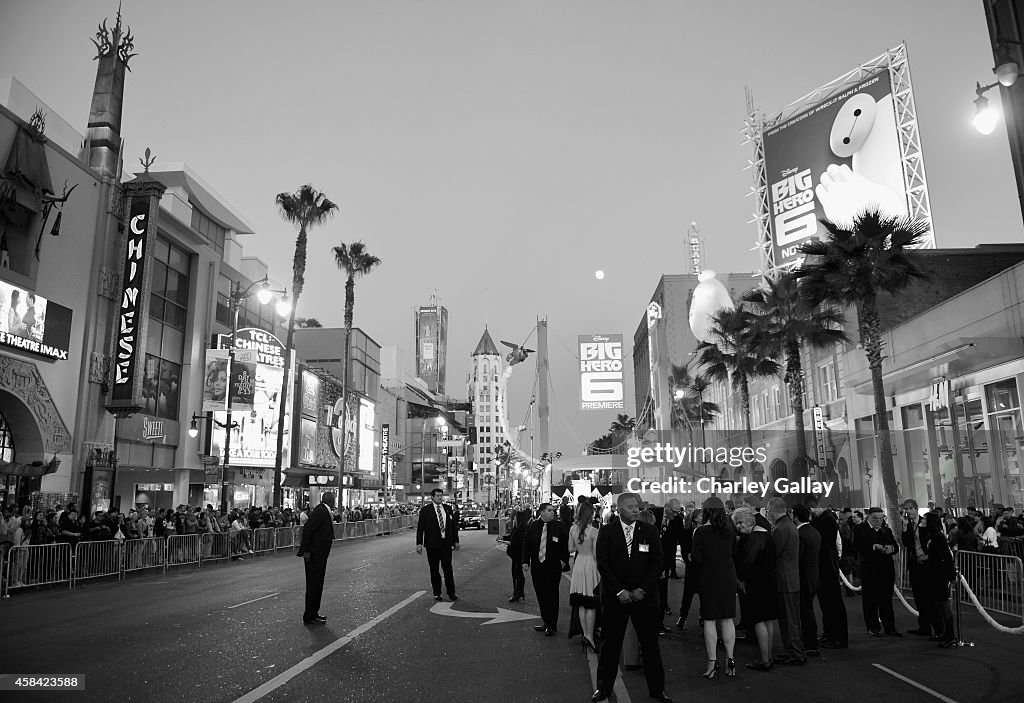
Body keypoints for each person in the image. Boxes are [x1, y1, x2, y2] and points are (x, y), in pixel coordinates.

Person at [592, 493, 672, 703]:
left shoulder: (649, 531)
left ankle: (658, 689)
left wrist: (642, 590)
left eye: (637, 506)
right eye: (631, 507)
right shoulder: (607, 531)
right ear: (619, 510)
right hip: (615, 598)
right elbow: (603, 563)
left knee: (650, 646)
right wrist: (620, 591)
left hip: (644, 599)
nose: (636, 510)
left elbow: (657, 562)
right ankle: (603, 688)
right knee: (610, 645)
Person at [692, 495, 739, 679]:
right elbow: (734, 553)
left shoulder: (701, 532)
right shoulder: (730, 530)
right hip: (728, 575)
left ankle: (712, 662)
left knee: (710, 620)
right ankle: (731, 661)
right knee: (728, 619)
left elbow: (697, 559)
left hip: (708, 577)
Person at [732, 507, 778, 671]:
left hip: (757, 583)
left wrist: (741, 578)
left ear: (749, 520)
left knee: (759, 621)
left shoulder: (755, 537)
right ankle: (768, 656)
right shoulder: (766, 534)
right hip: (770, 582)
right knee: (768, 620)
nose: (738, 527)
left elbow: (749, 561)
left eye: (740, 522)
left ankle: (764, 659)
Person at [767, 497, 804, 665]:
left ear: (774, 509)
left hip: (785, 580)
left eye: (768, 510)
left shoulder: (781, 529)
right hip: (791, 579)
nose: (767, 513)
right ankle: (792, 651)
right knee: (790, 619)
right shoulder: (789, 525)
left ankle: (795, 654)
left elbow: (773, 554)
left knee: (789, 620)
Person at [855, 507, 902, 637]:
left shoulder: (886, 530)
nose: (878, 521)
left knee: (886, 600)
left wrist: (890, 548)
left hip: (886, 570)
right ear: (868, 517)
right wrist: (873, 547)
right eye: (875, 518)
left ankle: (890, 627)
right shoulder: (860, 529)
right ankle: (873, 627)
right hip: (869, 571)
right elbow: (857, 546)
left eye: (881, 518)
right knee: (870, 601)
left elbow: (896, 546)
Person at [523, 503, 569, 635]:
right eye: (549, 510)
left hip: (553, 567)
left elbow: (565, 545)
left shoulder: (559, 527)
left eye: (553, 510)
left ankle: (552, 624)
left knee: (552, 595)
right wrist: (525, 561)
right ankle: (545, 621)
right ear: (542, 512)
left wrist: (563, 561)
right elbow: (526, 544)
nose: (552, 512)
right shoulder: (532, 526)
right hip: (537, 567)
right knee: (541, 594)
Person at [810, 503, 848, 649]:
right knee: (826, 605)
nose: (811, 510)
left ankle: (837, 637)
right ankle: (829, 634)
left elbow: (821, 539)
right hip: (824, 568)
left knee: (832, 604)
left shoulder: (828, 520)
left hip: (828, 568)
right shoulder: (823, 520)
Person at [297, 491, 336, 625]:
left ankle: (314, 613)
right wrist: (306, 550)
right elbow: (308, 529)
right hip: (314, 555)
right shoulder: (321, 511)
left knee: (317, 584)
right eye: (334, 499)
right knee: (314, 585)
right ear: (330, 500)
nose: (335, 502)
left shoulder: (323, 510)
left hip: (319, 554)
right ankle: (310, 615)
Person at [416, 488, 460, 602]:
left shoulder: (448, 509)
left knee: (448, 569)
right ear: (432, 497)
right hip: (432, 545)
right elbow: (420, 528)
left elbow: (453, 527)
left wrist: (456, 541)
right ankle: (437, 593)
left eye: (441, 496)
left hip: (446, 544)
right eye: (437, 496)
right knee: (434, 570)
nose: (440, 498)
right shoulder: (426, 510)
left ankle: (451, 592)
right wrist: (419, 543)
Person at [569, 501, 601, 652]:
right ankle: (590, 636)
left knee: (581, 602)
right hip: (591, 565)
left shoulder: (573, 529)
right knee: (591, 603)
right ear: (591, 514)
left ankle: (585, 635)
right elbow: (596, 554)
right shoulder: (594, 531)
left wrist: (579, 547)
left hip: (579, 563)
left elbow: (570, 548)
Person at [923, 511, 958, 648]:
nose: (922, 521)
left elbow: (947, 557)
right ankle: (944, 633)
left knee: (944, 606)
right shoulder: (932, 536)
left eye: (925, 520)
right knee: (938, 605)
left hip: (940, 576)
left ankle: (950, 636)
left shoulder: (939, 537)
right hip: (934, 575)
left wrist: (951, 575)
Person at [792, 504, 822, 657]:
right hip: (813, 577)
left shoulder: (800, 534)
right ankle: (810, 641)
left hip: (803, 578)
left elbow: (798, 558)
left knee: (805, 612)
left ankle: (810, 643)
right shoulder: (814, 532)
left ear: (795, 516)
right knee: (808, 610)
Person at [675, 508, 702, 631]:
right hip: (691, 568)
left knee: (704, 595)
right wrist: (687, 557)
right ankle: (682, 617)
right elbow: (685, 549)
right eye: (701, 516)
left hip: (703, 568)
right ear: (695, 518)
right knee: (687, 595)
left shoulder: (708, 532)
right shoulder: (687, 532)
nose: (704, 517)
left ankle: (703, 617)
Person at [505, 508, 531, 602]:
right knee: (516, 574)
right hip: (514, 555)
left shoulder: (522, 529)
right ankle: (518, 592)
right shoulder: (516, 528)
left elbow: (519, 543)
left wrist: (509, 543)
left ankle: (518, 593)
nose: (514, 519)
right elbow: (512, 537)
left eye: (515, 518)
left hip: (519, 555)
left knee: (517, 574)